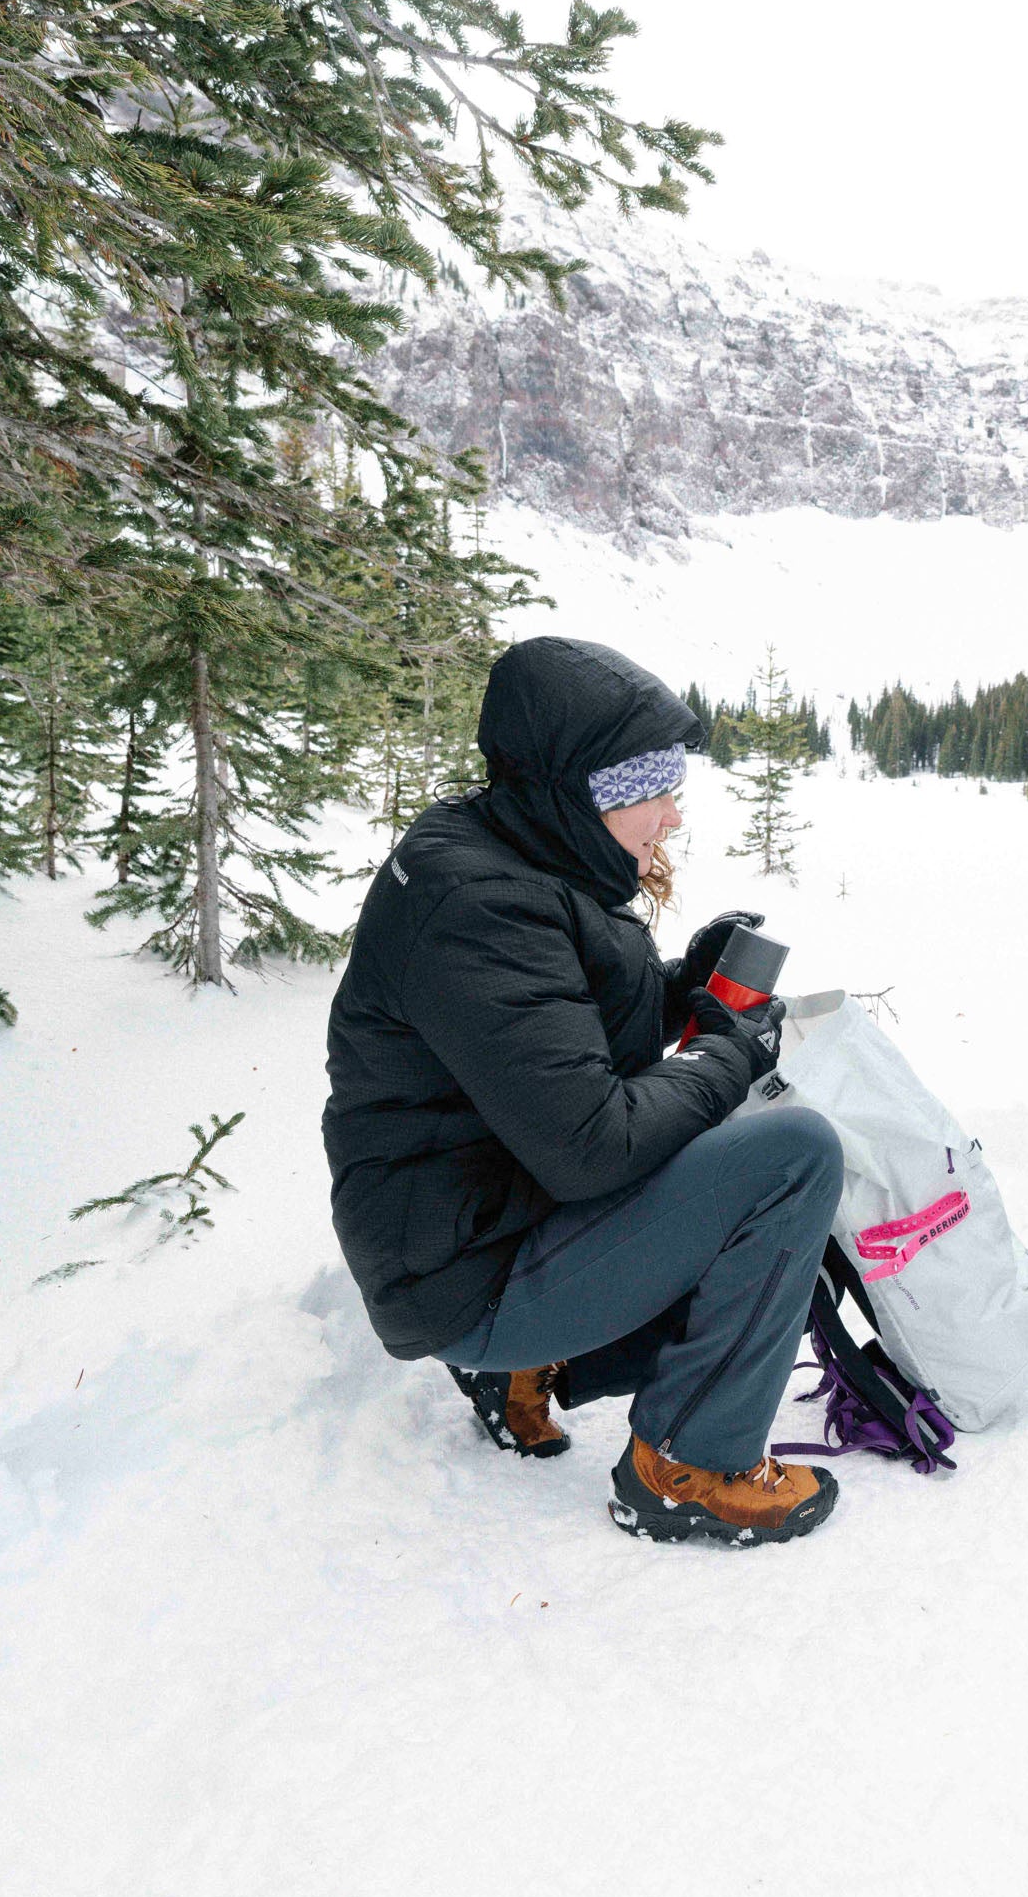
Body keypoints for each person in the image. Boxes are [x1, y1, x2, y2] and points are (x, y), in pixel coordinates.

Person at [323, 635, 843, 1548]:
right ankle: (689, 1466)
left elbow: (551, 1037)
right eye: (652, 793)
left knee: (730, 1146)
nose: (672, 818)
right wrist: (727, 1056)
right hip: (465, 1274)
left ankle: (529, 1369)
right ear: (580, 791)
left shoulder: (512, 850)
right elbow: (590, 1143)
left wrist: (687, 984)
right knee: (791, 1159)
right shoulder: (481, 906)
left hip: (474, 1222)